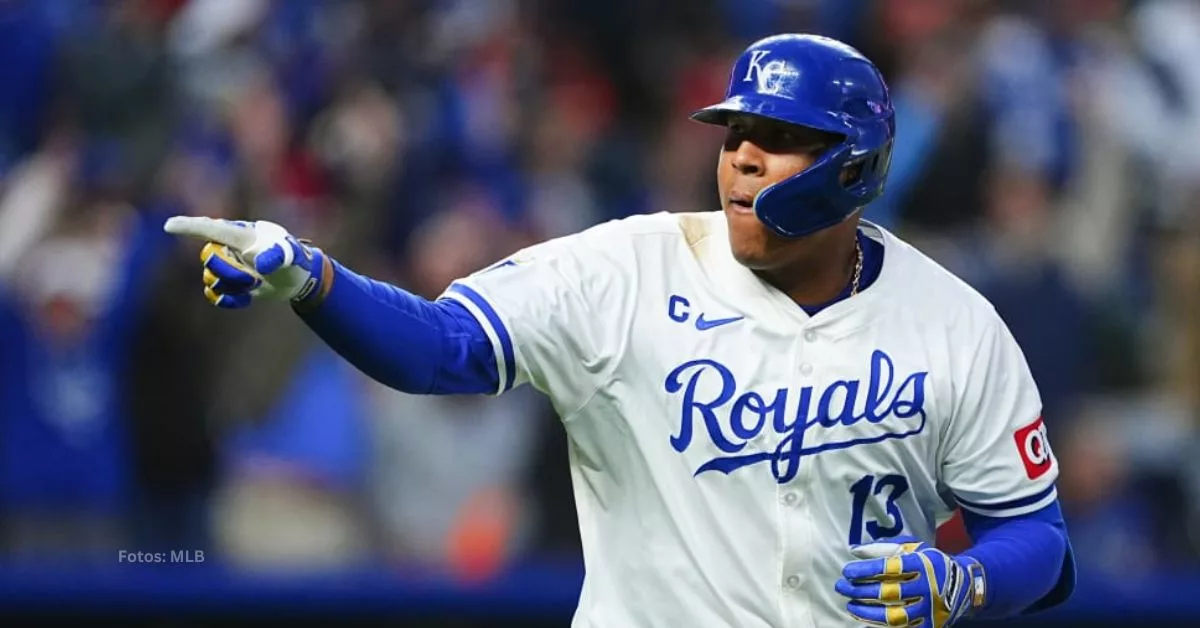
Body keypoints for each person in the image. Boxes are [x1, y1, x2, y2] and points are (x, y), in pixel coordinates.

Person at [166, 34, 1074, 628]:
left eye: (778, 134)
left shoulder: (956, 323)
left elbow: (1038, 536)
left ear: (854, 169)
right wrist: (310, 276)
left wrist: (967, 583)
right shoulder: (626, 271)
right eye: (734, 133)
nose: (743, 155)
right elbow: (440, 349)